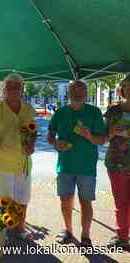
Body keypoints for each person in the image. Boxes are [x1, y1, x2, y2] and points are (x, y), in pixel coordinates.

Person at [47, 80, 105, 247]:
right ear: (69, 94)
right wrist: (55, 143)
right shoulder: (60, 112)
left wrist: (89, 136)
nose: (77, 95)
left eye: (81, 92)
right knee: (65, 200)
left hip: (86, 166)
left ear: (86, 94)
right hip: (65, 165)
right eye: (74, 92)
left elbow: (101, 140)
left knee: (85, 201)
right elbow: (50, 135)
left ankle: (85, 235)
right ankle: (68, 230)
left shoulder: (94, 112)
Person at [0, 74, 36, 240]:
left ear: (21, 89)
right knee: (2, 198)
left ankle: (20, 228)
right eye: (10, 87)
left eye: (17, 87)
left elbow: (32, 131)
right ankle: (1, 231)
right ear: (4, 90)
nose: (13, 90)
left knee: (23, 196)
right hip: (0, 162)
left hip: (23, 162)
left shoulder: (28, 109)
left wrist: (31, 144)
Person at [104, 74, 130, 248]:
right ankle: (122, 237)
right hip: (116, 163)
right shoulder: (113, 110)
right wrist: (111, 133)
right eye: (127, 86)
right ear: (122, 89)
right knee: (120, 203)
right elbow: (103, 137)